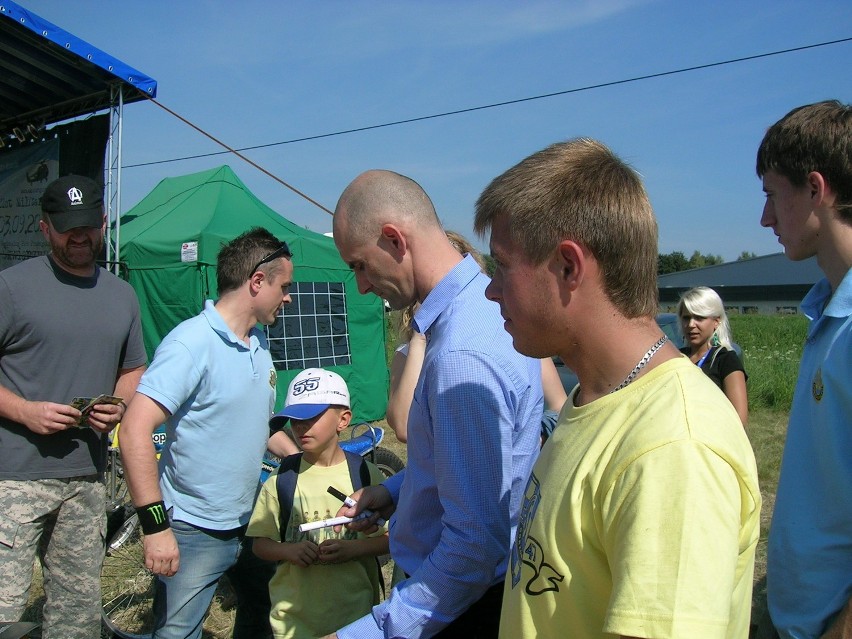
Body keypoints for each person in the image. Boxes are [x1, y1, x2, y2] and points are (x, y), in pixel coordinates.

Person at [473, 138, 761, 639]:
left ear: (569, 267)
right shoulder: (594, 400)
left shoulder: (671, 447)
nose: (491, 289)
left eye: (501, 265)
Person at [326, 170, 543, 639]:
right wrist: (396, 490)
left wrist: (370, 633)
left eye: (361, 265)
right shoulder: (488, 312)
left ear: (393, 240)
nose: (361, 286)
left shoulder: (460, 355)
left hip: (454, 607)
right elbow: (479, 467)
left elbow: (472, 547)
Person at [119, 227, 295, 639]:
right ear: (256, 281)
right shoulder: (190, 344)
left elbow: (258, 427)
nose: (288, 297)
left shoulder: (259, 342)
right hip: (192, 531)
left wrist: (308, 462)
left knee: (265, 612)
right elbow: (133, 431)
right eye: (284, 287)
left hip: (251, 523)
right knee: (178, 633)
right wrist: (156, 527)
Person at [0, 175, 147, 639]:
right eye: (67, 228)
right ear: (45, 228)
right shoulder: (11, 287)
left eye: (88, 225)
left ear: (103, 222)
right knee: (3, 610)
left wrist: (119, 405)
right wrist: (24, 412)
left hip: (86, 478)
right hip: (13, 480)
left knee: (76, 618)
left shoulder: (121, 294)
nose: (79, 236)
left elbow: (132, 369)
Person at [756, 100, 852, 639]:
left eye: (772, 194)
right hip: (796, 617)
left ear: (816, 189)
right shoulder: (828, 311)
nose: (765, 217)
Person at [387, 230, 566, 445]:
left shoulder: (516, 337)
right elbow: (404, 428)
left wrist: (529, 439)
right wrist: (419, 336)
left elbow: (559, 405)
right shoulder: (408, 352)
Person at [247, 368, 389, 638]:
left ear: (343, 419)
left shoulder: (365, 475)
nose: (300, 427)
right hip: (294, 623)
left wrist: (355, 549)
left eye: (311, 417)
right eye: (294, 419)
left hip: (354, 619)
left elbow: (393, 537)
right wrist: (288, 552)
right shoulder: (281, 480)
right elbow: (259, 544)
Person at [676, 286, 748, 425]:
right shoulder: (677, 357)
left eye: (699, 317)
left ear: (716, 321)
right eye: (686, 318)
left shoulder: (726, 360)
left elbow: (740, 420)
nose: (691, 324)